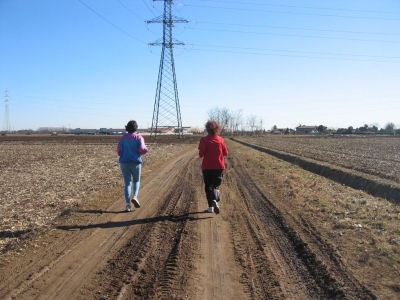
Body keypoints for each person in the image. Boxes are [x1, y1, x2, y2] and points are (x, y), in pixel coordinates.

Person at [117, 120, 148, 212]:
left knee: (127, 183)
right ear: (136, 127)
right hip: (135, 162)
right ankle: (135, 196)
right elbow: (142, 149)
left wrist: (123, 154)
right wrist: (145, 150)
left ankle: (127, 205)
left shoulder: (122, 138)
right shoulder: (139, 137)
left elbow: (118, 150)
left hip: (124, 162)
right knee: (136, 180)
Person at [198, 120, 228, 214]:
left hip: (207, 167)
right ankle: (215, 199)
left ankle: (210, 207)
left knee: (208, 186)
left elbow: (201, 154)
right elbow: (226, 153)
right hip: (219, 166)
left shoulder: (204, 140)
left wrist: (201, 152)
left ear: (207, 129)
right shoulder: (221, 140)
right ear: (217, 129)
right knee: (216, 185)